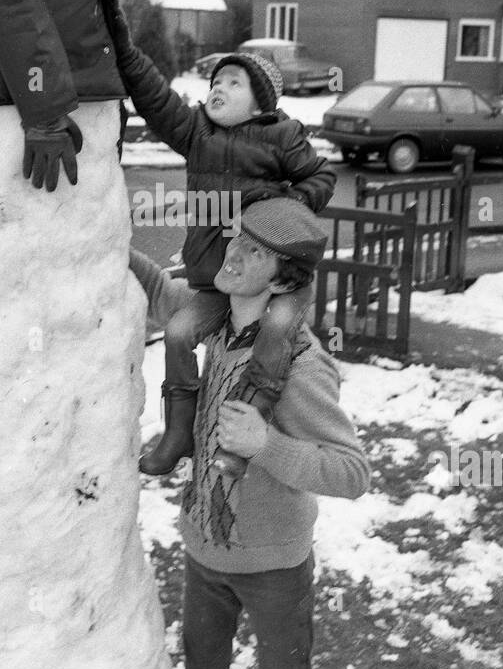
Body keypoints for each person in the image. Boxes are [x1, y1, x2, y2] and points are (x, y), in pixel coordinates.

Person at [129, 198, 371, 669]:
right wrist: (108, 243)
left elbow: (352, 472)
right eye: (237, 240)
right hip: (206, 557)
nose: (233, 254)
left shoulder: (300, 361)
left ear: (285, 278)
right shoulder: (215, 326)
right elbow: (161, 293)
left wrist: (268, 445)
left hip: (273, 568)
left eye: (255, 252)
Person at [114, 24, 336, 479]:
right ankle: (179, 433)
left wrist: (283, 209)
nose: (220, 88)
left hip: (279, 277)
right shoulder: (197, 133)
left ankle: (243, 439)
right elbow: (156, 100)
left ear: (260, 101)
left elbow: (321, 178)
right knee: (177, 335)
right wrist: (123, 49)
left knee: (273, 338)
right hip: (222, 279)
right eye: (216, 82)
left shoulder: (282, 135)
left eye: (234, 83)